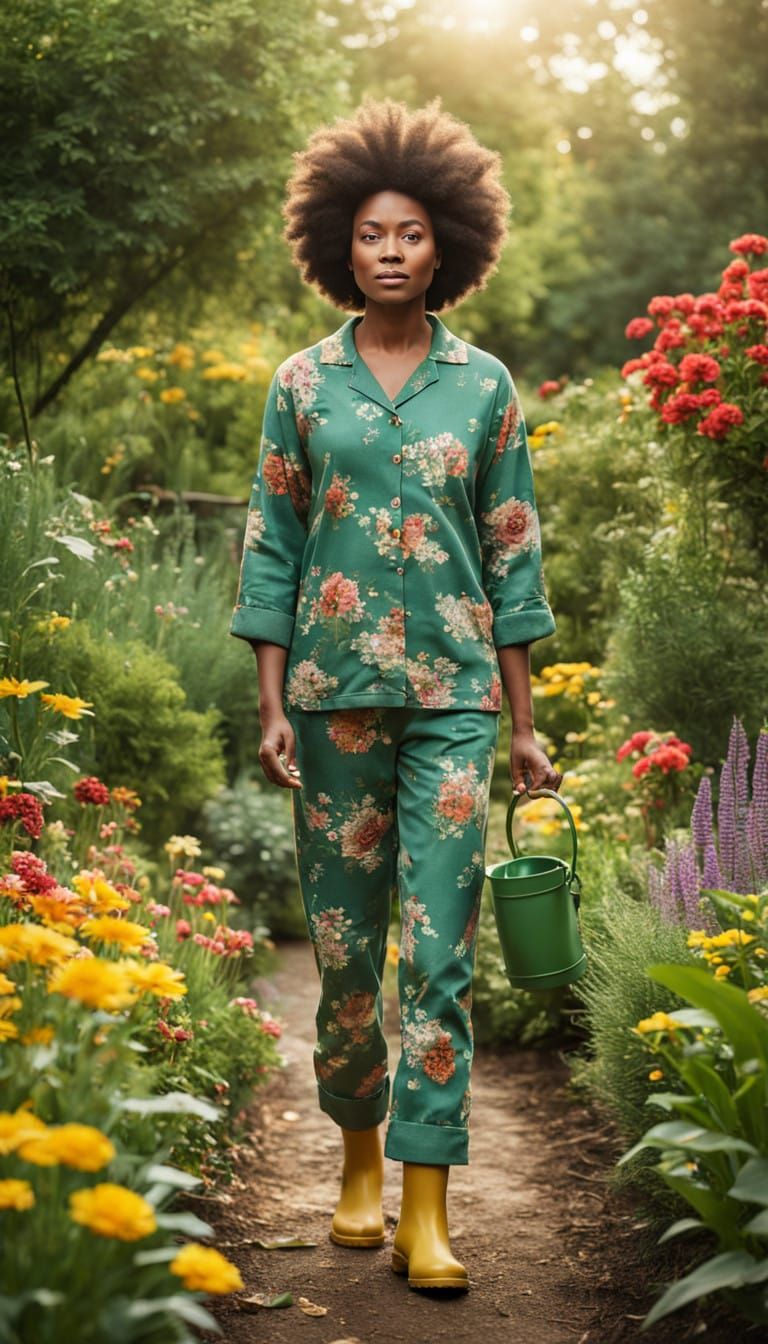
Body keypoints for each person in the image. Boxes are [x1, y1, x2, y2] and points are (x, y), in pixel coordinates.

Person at [229, 96, 561, 1293]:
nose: (389, 250)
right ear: (339, 242)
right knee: (345, 950)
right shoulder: (301, 385)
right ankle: (357, 1168)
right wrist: (270, 705)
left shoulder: (487, 389)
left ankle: (428, 1207)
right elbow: (270, 544)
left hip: (458, 700)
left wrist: (524, 725)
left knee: (440, 945)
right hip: (331, 700)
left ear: (447, 246)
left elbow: (515, 554)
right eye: (370, 232)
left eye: (410, 233)